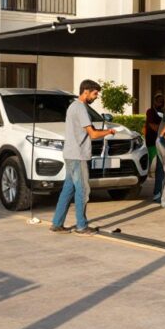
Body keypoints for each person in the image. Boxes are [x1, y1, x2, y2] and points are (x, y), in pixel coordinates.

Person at [51, 79, 116, 236]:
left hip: (70, 154)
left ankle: (57, 223)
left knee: (68, 188)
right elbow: (93, 134)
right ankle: (81, 226)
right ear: (85, 91)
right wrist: (109, 132)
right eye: (94, 94)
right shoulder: (80, 108)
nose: (96, 97)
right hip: (78, 156)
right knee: (83, 190)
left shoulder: (73, 106)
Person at [144, 93, 165, 183]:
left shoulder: (163, 112)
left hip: (160, 139)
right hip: (152, 139)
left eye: (162, 101)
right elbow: (151, 125)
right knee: (152, 157)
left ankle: (156, 172)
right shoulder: (150, 111)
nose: (161, 102)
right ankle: (149, 173)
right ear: (155, 101)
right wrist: (162, 130)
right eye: (159, 100)